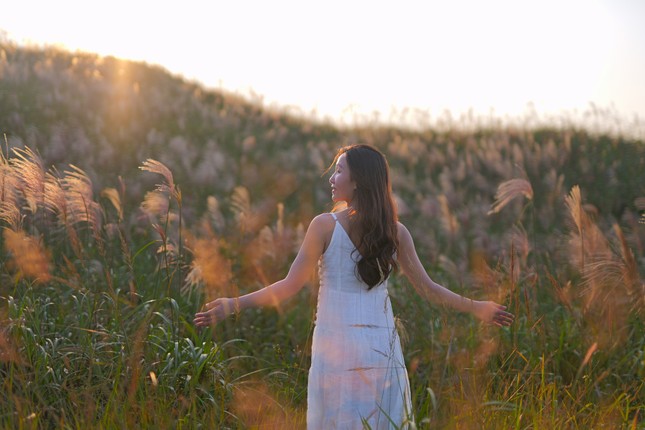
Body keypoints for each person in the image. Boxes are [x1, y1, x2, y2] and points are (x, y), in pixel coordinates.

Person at [194, 144, 514, 429]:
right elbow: (429, 289)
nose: (332, 178)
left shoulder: (324, 226)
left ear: (357, 179)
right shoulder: (396, 231)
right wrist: (478, 307)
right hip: (381, 347)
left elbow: (291, 285)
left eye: (338, 170)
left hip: (336, 347)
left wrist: (235, 303)